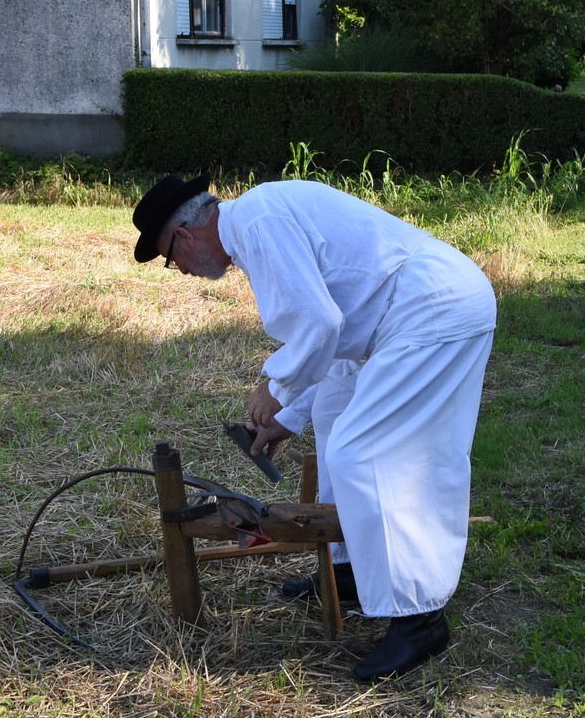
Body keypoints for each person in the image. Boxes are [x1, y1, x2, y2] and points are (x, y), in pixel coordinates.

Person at [131, 173, 497, 680]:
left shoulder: (258, 221)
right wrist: (290, 417)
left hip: (431, 309)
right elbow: (331, 329)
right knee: (333, 418)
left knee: (364, 452)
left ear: (185, 235)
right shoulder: (256, 219)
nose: (182, 271)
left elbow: (320, 325)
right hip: (394, 317)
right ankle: (348, 572)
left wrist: (274, 390)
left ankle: (419, 619)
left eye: (172, 259)